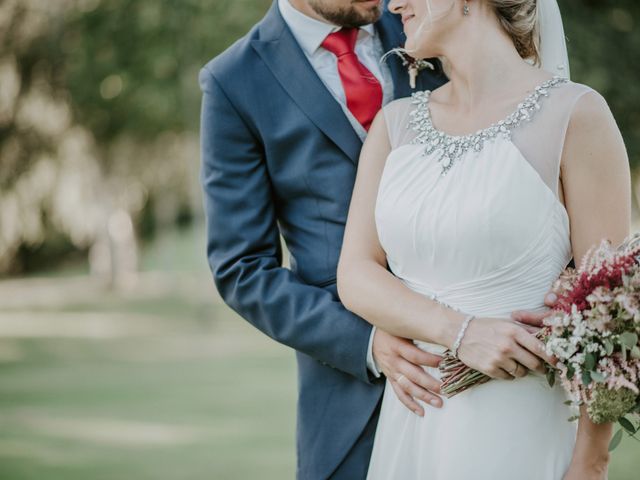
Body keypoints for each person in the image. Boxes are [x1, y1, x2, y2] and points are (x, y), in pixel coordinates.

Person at [337, 0, 631, 479]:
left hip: (519, 428)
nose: (394, 4)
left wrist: (590, 463)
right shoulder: (394, 126)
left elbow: (612, 316)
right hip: (413, 425)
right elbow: (355, 274)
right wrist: (459, 331)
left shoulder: (576, 116)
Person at [199, 1, 453, 478]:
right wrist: (367, 342)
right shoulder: (234, 81)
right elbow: (242, 269)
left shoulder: (431, 21)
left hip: (477, 350)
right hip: (351, 399)